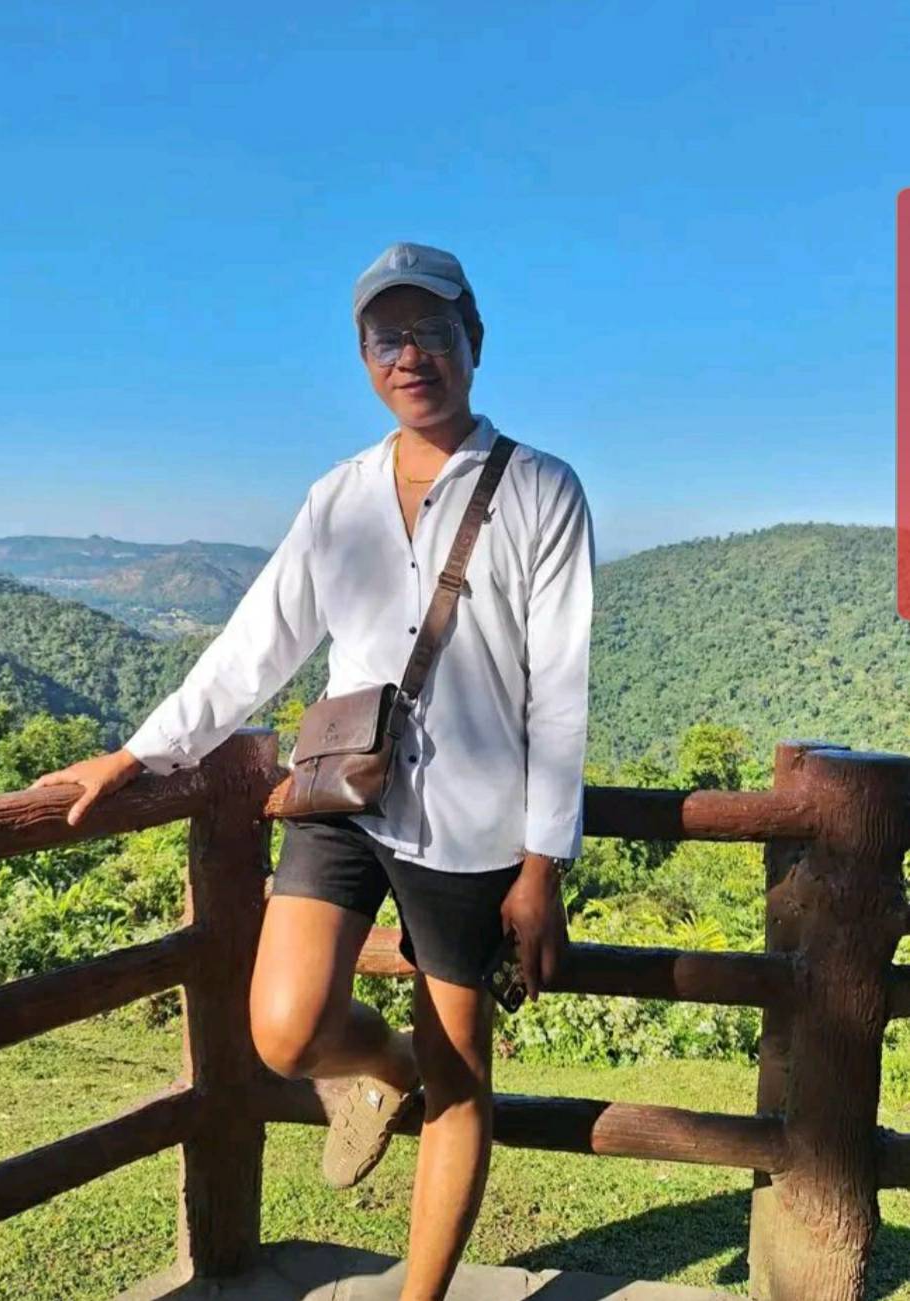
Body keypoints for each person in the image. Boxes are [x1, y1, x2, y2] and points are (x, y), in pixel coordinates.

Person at [31, 241, 595, 1301]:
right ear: (364, 356)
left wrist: (541, 863)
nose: (410, 353)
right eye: (387, 337)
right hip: (344, 796)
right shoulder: (336, 496)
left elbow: (556, 689)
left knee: (463, 1071)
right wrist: (140, 750)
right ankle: (381, 1074)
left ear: (473, 338)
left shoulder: (539, 488)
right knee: (283, 1027)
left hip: (475, 824)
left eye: (431, 329)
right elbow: (256, 642)